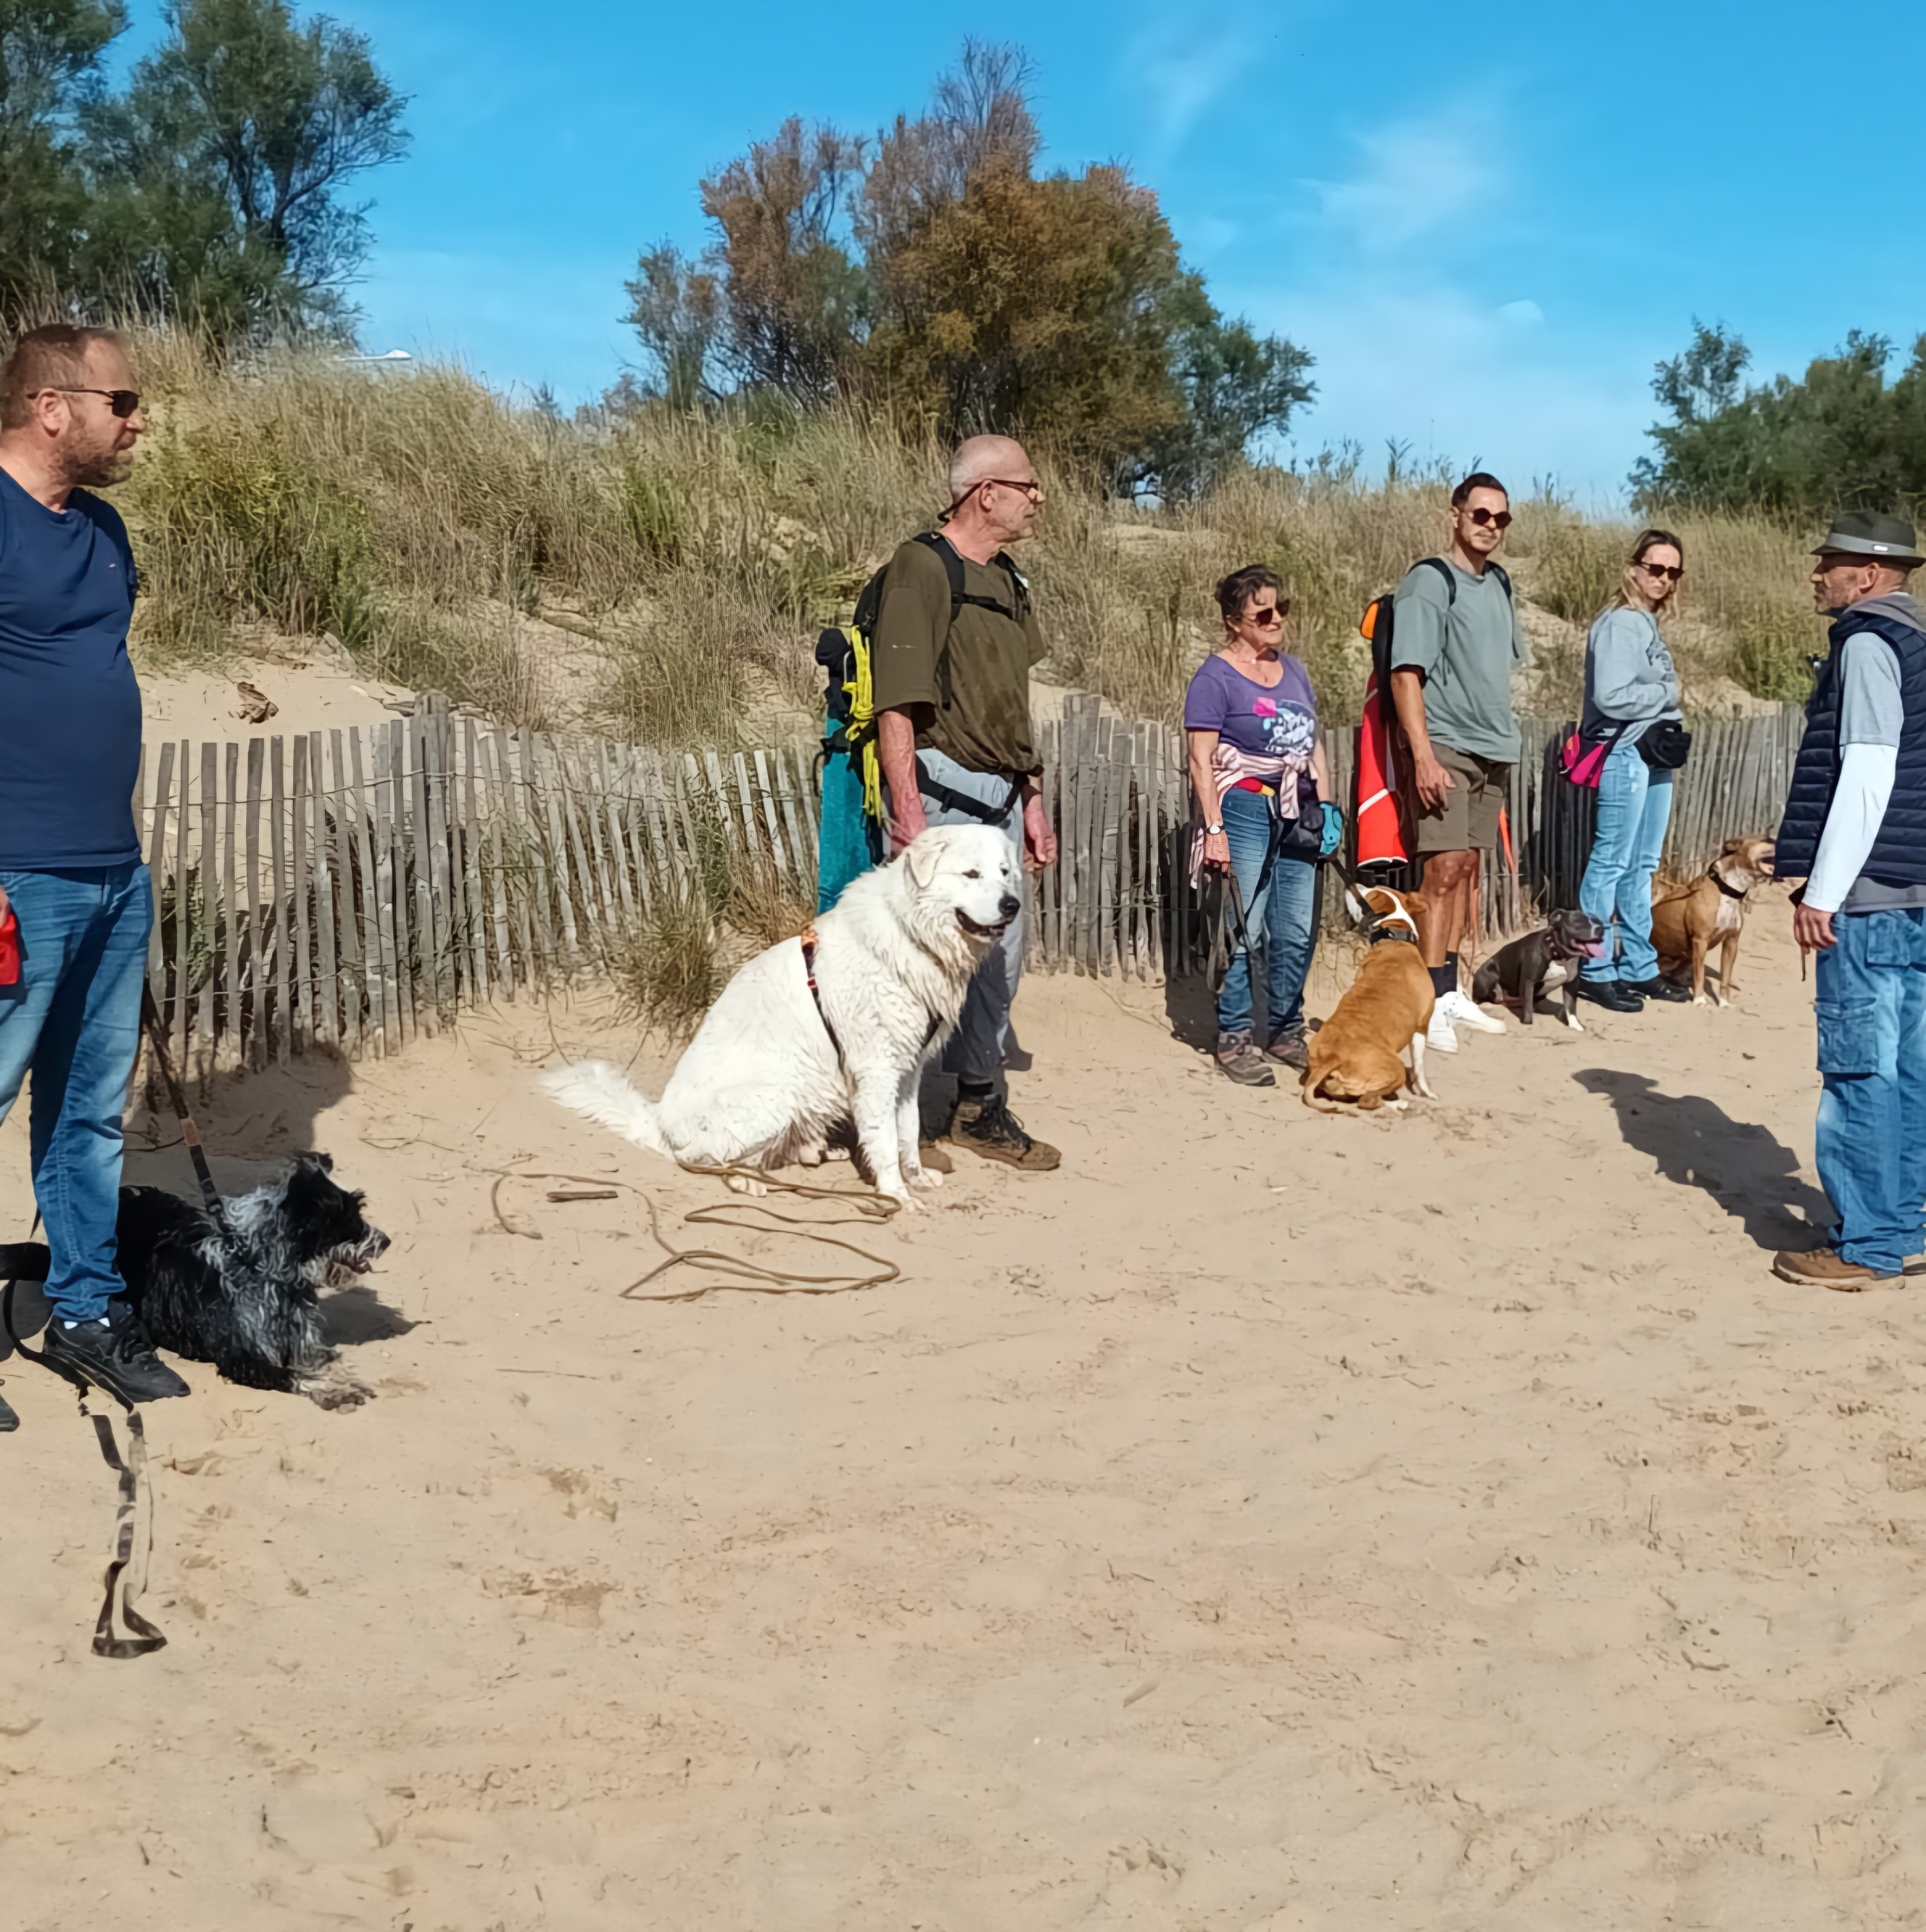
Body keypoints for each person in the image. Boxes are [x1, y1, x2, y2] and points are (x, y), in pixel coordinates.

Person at [0, 325, 187, 1422]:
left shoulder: (106, 529)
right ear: (51, 407)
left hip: (113, 874)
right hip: (17, 875)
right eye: (122, 400)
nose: (139, 419)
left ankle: (83, 1309)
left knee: (86, 1113)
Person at [870, 435, 1061, 1171]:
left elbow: (1016, 705)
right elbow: (899, 699)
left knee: (1001, 963)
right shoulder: (922, 566)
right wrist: (909, 813)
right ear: (986, 492)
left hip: (1004, 799)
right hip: (944, 792)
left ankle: (979, 1107)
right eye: (1028, 487)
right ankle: (900, 1117)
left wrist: (1034, 800)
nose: (1037, 499)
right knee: (924, 962)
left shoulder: (1010, 582)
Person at [1772, 510, 1926, 1290]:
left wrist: (1823, 893)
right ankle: (1906, 1226)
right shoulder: (1918, 644)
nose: (1818, 573)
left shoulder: (1867, 645)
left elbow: (1869, 770)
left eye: (1829, 562)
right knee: (1909, 1068)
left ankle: (1867, 1244)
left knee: (1862, 1072)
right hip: (1916, 891)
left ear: (1867, 575)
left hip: (1870, 897)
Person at [1388, 472, 1525, 1053]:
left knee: (1466, 868)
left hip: (1494, 748)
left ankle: (1447, 994)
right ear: (1455, 515)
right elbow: (1406, 673)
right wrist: (1422, 755)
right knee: (1440, 872)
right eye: (1480, 515)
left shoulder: (1500, 584)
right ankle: (1424, 1000)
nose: (1490, 526)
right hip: (1446, 742)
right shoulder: (1429, 581)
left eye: (1500, 518)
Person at [1185, 566, 1338, 1085]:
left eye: (1282, 609)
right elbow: (1200, 760)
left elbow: (1312, 742)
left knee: (1296, 929)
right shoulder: (1215, 676)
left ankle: (1287, 1031)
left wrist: (1330, 807)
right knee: (1242, 927)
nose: (1277, 620)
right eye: (1263, 614)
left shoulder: (1295, 670)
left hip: (1300, 807)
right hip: (1244, 807)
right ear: (1234, 622)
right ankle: (1234, 1036)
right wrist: (1213, 830)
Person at [1574, 529, 1693, 1012]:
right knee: (1612, 861)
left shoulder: (1645, 622)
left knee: (1641, 864)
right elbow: (1611, 696)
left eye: (1672, 571)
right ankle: (1593, 965)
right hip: (1624, 750)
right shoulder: (1622, 623)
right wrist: (1666, 694)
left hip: (1652, 752)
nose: (1663, 579)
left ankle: (1638, 965)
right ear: (1634, 567)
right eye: (1655, 568)